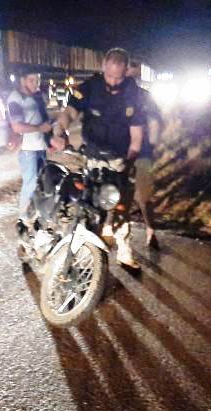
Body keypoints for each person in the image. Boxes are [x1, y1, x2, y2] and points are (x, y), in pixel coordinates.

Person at [52, 48, 146, 269]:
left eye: (118, 77)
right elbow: (70, 112)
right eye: (109, 75)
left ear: (126, 71)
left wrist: (129, 163)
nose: (113, 81)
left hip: (119, 159)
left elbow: (136, 136)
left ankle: (124, 249)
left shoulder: (134, 94)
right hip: (92, 156)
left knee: (121, 205)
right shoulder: (90, 87)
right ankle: (86, 253)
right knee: (87, 203)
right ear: (103, 66)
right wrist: (59, 130)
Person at [6, 66, 52, 218]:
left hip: (40, 147)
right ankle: (24, 218)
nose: (36, 84)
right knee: (31, 183)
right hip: (27, 149)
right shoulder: (15, 98)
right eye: (32, 80)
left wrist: (50, 138)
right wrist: (39, 128)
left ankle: (39, 214)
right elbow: (17, 126)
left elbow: (45, 120)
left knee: (43, 182)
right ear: (22, 81)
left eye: (37, 80)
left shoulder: (37, 97)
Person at [127, 60, 163, 249]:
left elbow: (156, 122)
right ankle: (150, 232)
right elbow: (156, 122)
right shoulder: (145, 96)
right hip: (140, 154)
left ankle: (143, 232)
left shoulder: (117, 96)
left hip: (129, 154)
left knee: (127, 195)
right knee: (143, 196)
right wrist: (151, 146)